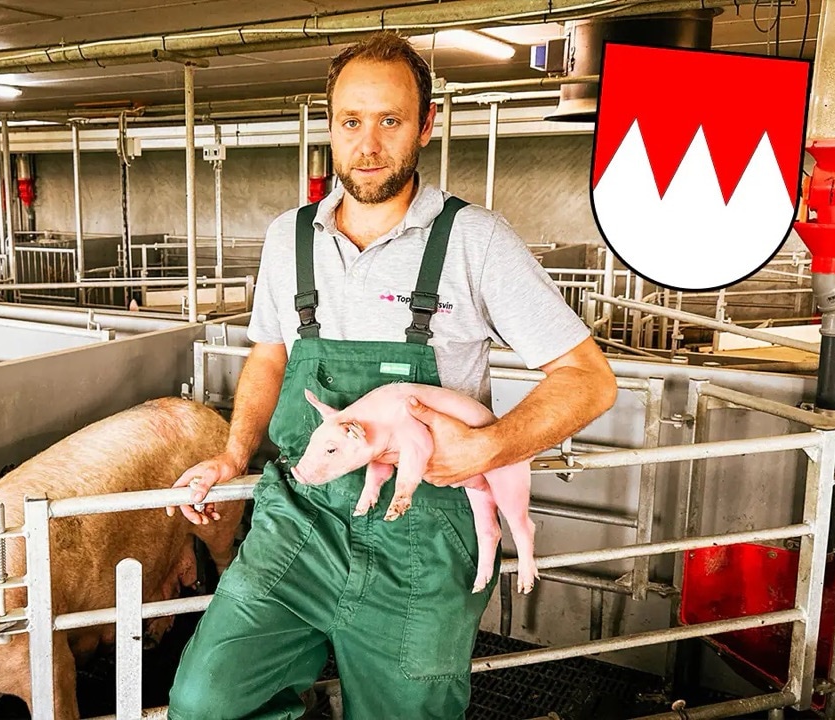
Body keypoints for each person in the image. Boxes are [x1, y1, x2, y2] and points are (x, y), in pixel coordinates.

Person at [164, 31, 618, 720]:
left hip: (425, 537)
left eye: (389, 120)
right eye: (351, 121)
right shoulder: (290, 238)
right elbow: (270, 354)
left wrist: (491, 447)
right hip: (301, 519)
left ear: (427, 125)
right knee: (207, 700)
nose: (368, 144)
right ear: (330, 124)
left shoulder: (474, 240)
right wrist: (233, 454)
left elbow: (587, 378)